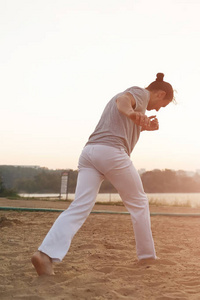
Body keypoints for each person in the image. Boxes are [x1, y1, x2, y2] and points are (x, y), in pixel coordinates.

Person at [31, 73, 175, 276]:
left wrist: (144, 125)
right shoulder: (139, 93)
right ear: (160, 93)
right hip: (111, 152)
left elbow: (122, 123)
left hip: (89, 153)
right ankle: (147, 257)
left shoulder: (138, 103)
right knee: (139, 202)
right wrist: (133, 114)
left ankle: (44, 254)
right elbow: (122, 101)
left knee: (79, 207)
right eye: (162, 104)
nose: (158, 109)